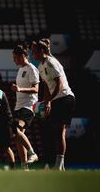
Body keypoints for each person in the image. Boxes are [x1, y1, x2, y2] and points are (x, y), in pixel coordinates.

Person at [33, 39, 75, 171]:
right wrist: (45, 102)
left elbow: (59, 84)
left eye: (34, 52)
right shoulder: (40, 66)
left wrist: (49, 100)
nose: (32, 55)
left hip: (65, 98)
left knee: (60, 131)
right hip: (55, 99)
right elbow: (46, 87)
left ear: (41, 51)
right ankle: (59, 166)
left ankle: (59, 165)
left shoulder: (51, 62)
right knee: (55, 132)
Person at [11, 44, 40, 170]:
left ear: (23, 56)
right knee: (17, 137)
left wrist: (19, 89)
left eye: (15, 57)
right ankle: (24, 167)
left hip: (29, 106)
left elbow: (36, 89)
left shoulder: (32, 69)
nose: (14, 60)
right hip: (19, 106)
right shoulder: (20, 69)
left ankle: (32, 153)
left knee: (15, 130)